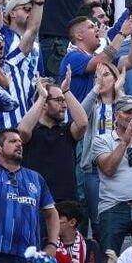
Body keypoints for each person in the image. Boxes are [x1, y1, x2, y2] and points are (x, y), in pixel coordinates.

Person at [0, 89, 61, 263]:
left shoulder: (36, 178)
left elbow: (51, 213)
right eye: (13, 141)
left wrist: (52, 244)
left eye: (20, 142)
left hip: (27, 256)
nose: (19, 144)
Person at [91, 94, 132, 262]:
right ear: (116, 114)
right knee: (108, 259)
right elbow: (108, 168)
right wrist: (124, 142)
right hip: (113, 207)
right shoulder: (102, 140)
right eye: (127, 112)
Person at [18, 73, 88, 203]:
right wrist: (42, 97)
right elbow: (22, 131)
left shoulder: (66, 130)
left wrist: (66, 91)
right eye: (59, 100)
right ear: (44, 104)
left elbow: (83, 123)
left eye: (64, 100)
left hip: (66, 202)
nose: (64, 105)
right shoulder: (31, 130)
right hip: (36, 200)